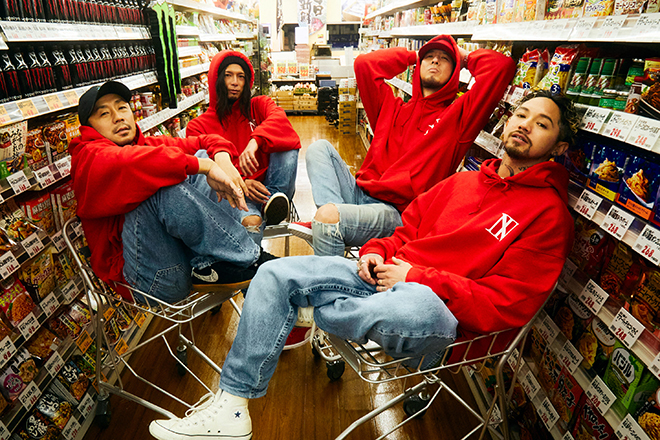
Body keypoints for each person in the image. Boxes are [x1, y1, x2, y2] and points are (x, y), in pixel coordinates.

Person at [149, 90, 578, 440]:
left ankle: (309, 309)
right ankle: (232, 404)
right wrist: (376, 251)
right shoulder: (464, 182)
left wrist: (417, 276)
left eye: (542, 123)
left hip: (443, 319)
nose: (525, 125)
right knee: (273, 272)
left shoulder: (548, 215)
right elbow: (405, 230)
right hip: (383, 280)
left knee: (415, 306)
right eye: (521, 115)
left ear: (559, 147)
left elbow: (505, 305)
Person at [288, 35, 516, 256]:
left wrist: (463, 57)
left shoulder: (458, 118)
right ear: (418, 65)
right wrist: (413, 55)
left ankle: (328, 224)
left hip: (397, 213)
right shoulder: (391, 107)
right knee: (319, 148)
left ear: (455, 70)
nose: (435, 60)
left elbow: (501, 67)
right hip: (360, 193)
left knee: (328, 218)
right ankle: (331, 219)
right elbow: (365, 64)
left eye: (445, 58)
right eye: (429, 57)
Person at [70, 80, 274, 304]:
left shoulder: (144, 144)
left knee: (201, 155)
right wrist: (206, 167)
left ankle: (226, 255)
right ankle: (250, 252)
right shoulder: (88, 157)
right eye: (104, 114)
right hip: (148, 280)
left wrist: (221, 159)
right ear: (89, 128)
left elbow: (205, 142)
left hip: (183, 258)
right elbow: (130, 163)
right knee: (160, 185)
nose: (118, 117)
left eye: (121, 107)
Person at [186, 50, 301, 244]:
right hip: (232, 195)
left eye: (241, 77)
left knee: (286, 140)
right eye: (228, 75)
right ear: (216, 79)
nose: (235, 82)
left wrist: (256, 139)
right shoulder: (198, 126)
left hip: (270, 189)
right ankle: (254, 257)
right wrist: (241, 183)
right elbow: (204, 174)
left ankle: (271, 201)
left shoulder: (258, 106)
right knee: (252, 222)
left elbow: (279, 119)